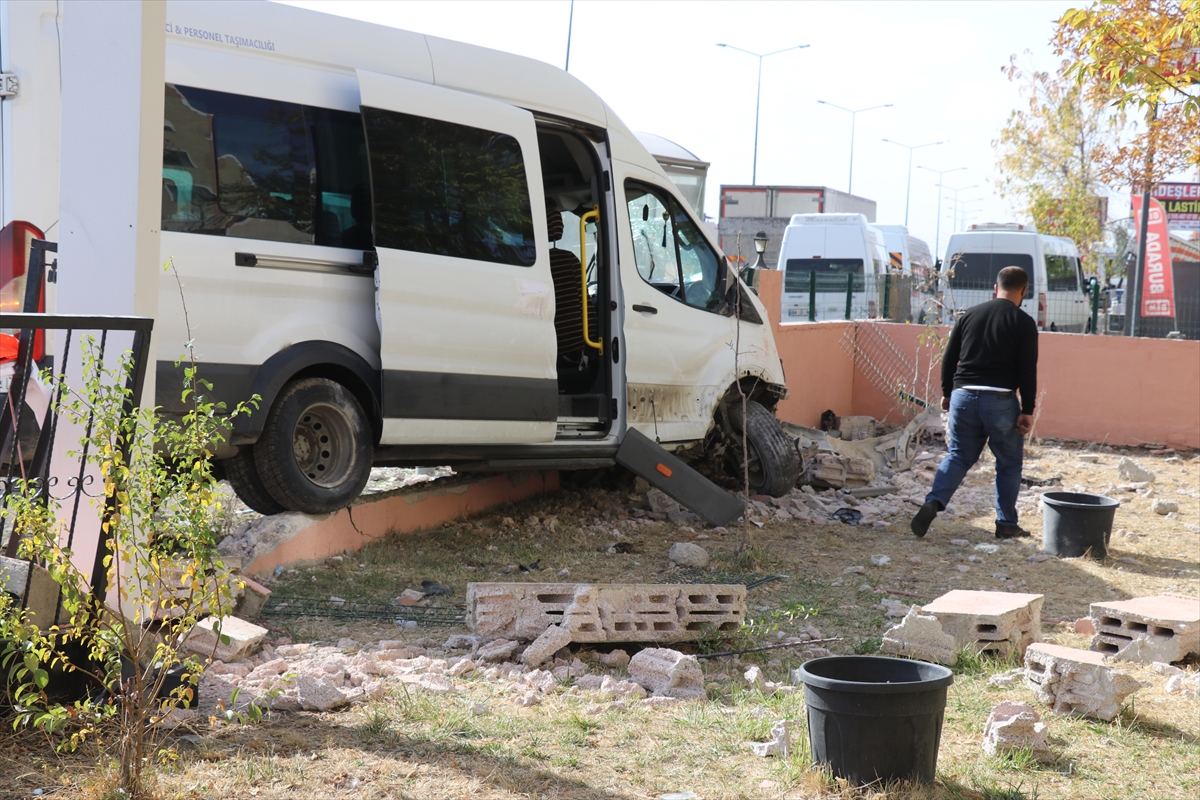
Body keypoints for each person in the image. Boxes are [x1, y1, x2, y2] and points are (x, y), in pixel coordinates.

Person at [911, 265, 1038, 539]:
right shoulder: (1024, 322)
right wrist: (1027, 409)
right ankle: (1006, 524)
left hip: (963, 395)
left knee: (958, 455)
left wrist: (947, 392)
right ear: (1024, 291)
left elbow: (949, 358)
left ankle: (934, 502)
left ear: (996, 288)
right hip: (1000, 400)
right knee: (1008, 464)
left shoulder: (969, 315)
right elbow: (1027, 369)